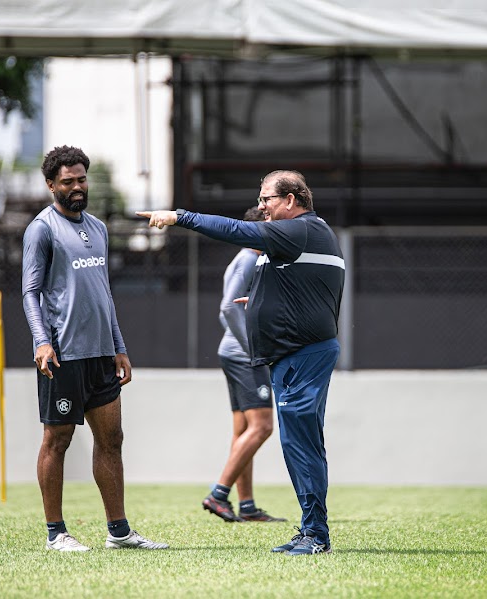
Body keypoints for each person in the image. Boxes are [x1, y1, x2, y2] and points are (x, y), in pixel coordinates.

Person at [138, 170, 344, 556]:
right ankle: (309, 529)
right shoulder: (303, 236)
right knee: (295, 442)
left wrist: (180, 217)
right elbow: (309, 289)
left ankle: (315, 534)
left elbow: (234, 230)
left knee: (301, 444)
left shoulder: (298, 231)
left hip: (302, 356)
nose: (262, 206)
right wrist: (267, 305)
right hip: (293, 355)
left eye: (267, 199)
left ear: (291, 200)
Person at [22, 145, 168, 552]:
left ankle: (118, 532)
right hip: (62, 355)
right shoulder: (42, 229)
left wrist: (119, 347)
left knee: (113, 439)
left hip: (102, 355)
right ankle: (56, 534)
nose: (77, 186)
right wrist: (41, 340)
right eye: (68, 181)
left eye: (81, 179)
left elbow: (104, 294)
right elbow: (30, 292)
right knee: (57, 441)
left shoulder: (99, 228)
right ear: (51, 185)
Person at [202, 206, 287, 524]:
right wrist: (256, 351)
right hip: (243, 356)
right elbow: (228, 308)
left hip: (236, 354)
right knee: (263, 426)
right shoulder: (249, 259)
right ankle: (218, 494)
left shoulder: (252, 258)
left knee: (243, 430)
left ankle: (247, 505)